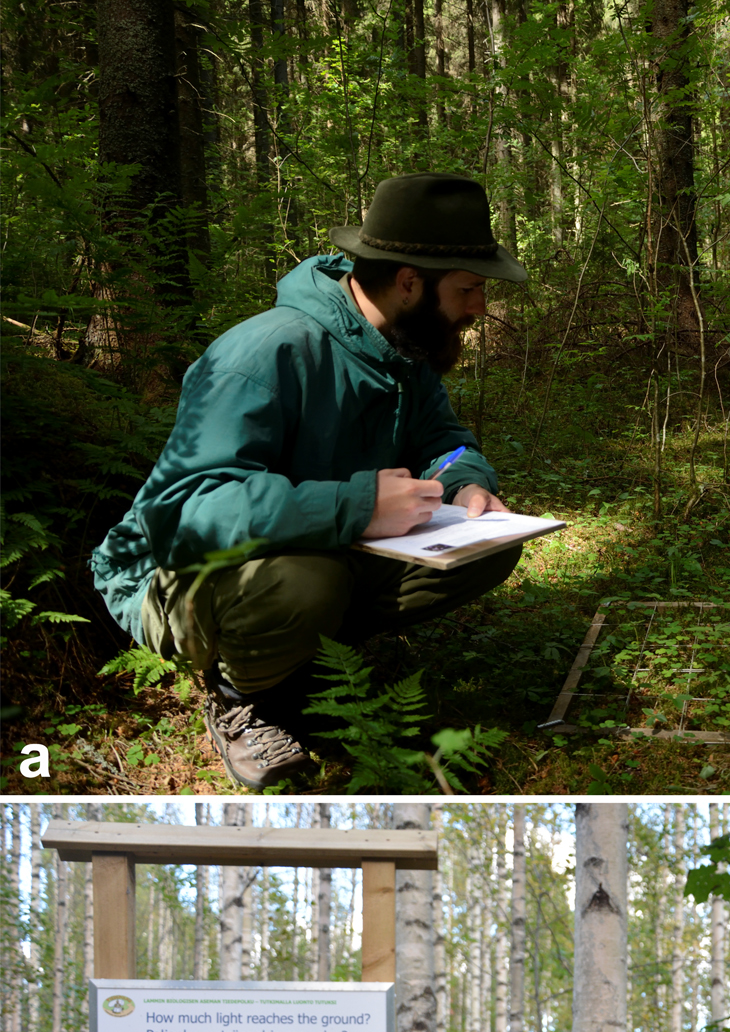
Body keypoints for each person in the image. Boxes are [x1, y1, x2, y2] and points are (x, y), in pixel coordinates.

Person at [91, 173, 527, 790]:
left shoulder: (405, 351)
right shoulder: (264, 353)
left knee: (487, 549)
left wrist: (466, 485)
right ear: (409, 282)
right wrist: (355, 506)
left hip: (315, 548)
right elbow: (182, 513)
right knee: (305, 581)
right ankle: (243, 696)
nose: (480, 308)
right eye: (470, 289)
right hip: (172, 578)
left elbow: (446, 442)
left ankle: (310, 661)